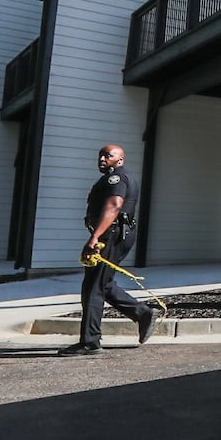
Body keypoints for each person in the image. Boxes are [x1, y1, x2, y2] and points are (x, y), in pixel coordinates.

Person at [59, 144, 159, 356]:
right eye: (100, 155)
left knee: (93, 286)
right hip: (113, 234)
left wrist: (95, 237)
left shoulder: (117, 179)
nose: (102, 159)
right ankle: (142, 313)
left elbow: (114, 206)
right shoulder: (112, 178)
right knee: (103, 283)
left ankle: (90, 341)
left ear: (120, 160)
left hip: (111, 236)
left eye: (108, 155)